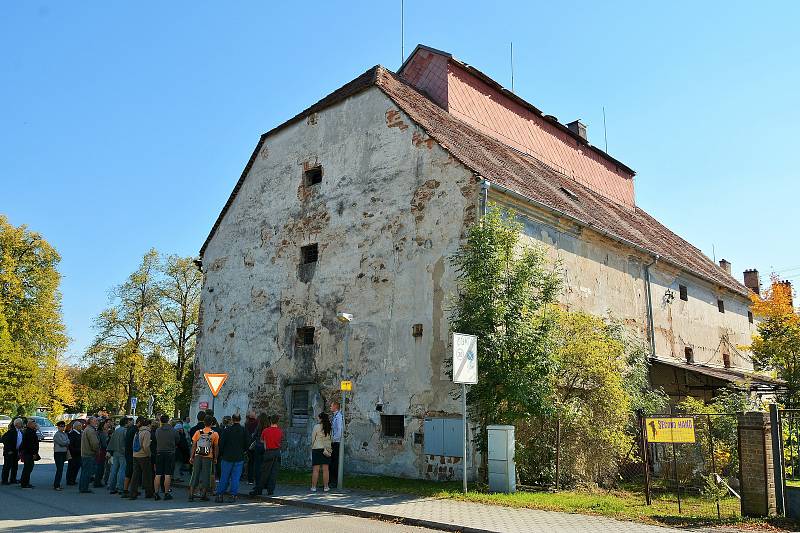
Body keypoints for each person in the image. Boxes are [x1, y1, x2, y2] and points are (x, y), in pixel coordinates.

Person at [215, 413, 249, 503]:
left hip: (227, 456)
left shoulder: (227, 430)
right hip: (239, 457)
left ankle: (220, 495)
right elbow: (247, 443)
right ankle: (233, 495)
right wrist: (243, 451)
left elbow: (221, 444)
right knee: (235, 477)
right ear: (240, 419)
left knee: (224, 477)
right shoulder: (243, 430)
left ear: (232, 420)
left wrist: (222, 453)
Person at [249, 415, 282, 497]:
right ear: (277, 421)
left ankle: (258, 489)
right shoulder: (280, 431)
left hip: (269, 451)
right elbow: (281, 441)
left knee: (264, 472)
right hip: (277, 452)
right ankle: (271, 490)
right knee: (273, 472)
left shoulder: (266, 431)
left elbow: (262, 441)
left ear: (270, 421)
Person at [189, 416, 219, 502]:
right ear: (212, 423)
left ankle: (191, 495)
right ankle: (203, 495)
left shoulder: (198, 432)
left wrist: (191, 456)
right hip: (208, 457)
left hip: (198, 455)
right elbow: (216, 447)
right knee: (206, 475)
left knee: (195, 474)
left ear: (204, 423)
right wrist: (215, 457)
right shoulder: (214, 434)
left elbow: (194, 445)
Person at [153, 414, 178, 501]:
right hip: (170, 453)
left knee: (158, 473)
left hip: (159, 452)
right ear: (168, 420)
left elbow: (156, 439)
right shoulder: (173, 430)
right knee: (168, 474)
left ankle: (156, 493)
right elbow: (177, 439)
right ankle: (166, 493)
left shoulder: (158, 430)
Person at [128, 417, 154, 500]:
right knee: (147, 475)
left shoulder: (137, 431)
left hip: (135, 454)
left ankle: (133, 493)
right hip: (143, 456)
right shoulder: (146, 432)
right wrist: (149, 454)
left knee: (135, 475)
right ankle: (149, 492)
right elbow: (146, 446)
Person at [310, 412, 333, 492]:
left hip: (317, 448)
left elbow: (313, 438)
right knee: (326, 469)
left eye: (318, 417)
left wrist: (312, 446)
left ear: (321, 418)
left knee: (315, 469)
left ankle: (313, 487)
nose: (317, 419)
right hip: (326, 449)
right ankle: (326, 487)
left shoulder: (316, 427)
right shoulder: (329, 427)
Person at [106, 417, 129, 494]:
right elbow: (126, 442)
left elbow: (111, 442)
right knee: (122, 470)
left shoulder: (116, 430)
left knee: (114, 470)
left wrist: (110, 451)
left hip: (115, 452)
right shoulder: (125, 431)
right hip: (122, 452)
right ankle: (121, 488)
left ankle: (112, 487)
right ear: (126, 423)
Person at [79, 416, 100, 493]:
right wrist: (97, 450)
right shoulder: (90, 430)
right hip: (89, 454)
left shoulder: (87, 429)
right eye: (95, 421)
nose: (97, 422)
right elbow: (94, 443)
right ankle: (84, 488)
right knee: (87, 472)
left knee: (84, 472)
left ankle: (82, 487)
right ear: (91, 422)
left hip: (85, 453)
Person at [121, 416, 140, 497]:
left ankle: (126, 490)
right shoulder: (135, 430)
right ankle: (131, 490)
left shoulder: (129, 429)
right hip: (132, 453)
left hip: (127, 452)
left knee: (128, 472)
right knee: (132, 472)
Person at [18, 418, 40, 488]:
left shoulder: (30, 431)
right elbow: (31, 444)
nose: (35, 425)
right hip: (29, 453)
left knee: (28, 468)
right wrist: (34, 453)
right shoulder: (29, 432)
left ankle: (24, 482)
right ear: (30, 424)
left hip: (28, 452)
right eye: (34, 423)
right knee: (28, 468)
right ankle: (24, 483)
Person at [1, 417, 23, 485]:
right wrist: (9, 450)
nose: (21, 425)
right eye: (20, 423)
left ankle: (13, 479)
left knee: (15, 466)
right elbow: (4, 440)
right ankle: (4, 480)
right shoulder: (11, 431)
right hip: (9, 452)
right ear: (16, 424)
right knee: (7, 466)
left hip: (16, 451)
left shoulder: (20, 432)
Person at [249, 413, 269, 488]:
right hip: (266, 448)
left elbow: (254, 436)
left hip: (258, 447)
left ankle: (258, 483)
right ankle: (265, 483)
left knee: (257, 466)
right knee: (265, 467)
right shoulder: (268, 427)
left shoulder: (259, 427)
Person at [94, 419, 112, 487]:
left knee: (99, 466)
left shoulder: (98, 432)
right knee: (100, 467)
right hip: (102, 451)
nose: (107, 425)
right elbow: (104, 444)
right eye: (105, 424)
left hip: (99, 451)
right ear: (102, 426)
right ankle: (97, 482)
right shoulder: (102, 433)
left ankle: (97, 481)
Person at [53, 421, 70, 490]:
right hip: (58, 453)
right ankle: (56, 485)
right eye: (61, 426)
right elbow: (62, 443)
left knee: (61, 469)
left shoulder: (64, 434)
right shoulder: (57, 434)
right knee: (59, 469)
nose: (62, 428)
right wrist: (66, 442)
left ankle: (58, 484)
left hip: (63, 452)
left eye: (63, 426)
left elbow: (68, 441)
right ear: (58, 427)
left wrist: (66, 442)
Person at [66, 420, 83, 485]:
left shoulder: (80, 433)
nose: (81, 427)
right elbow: (71, 445)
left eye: (81, 425)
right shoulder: (72, 433)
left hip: (78, 453)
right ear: (75, 427)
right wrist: (77, 450)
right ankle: (69, 480)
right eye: (79, 425)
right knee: (71, 468)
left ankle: (73, 479)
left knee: (76, 467)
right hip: (74, 453)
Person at [330, 401, 343, 488]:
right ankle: (331, 480)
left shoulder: (339, 417)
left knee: (335, 462)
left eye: (331, 406)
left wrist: (333, 440)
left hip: (336, 443)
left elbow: (339, 431)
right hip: (334, 442)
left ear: (335, 407)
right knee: (332, 462)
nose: (330, 407)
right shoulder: (335, 416)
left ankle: (334, 481)